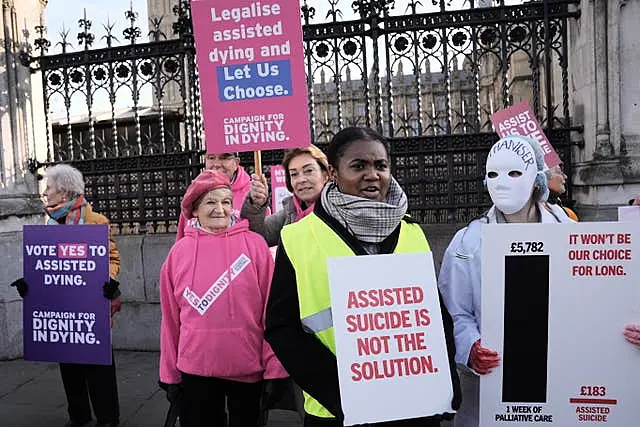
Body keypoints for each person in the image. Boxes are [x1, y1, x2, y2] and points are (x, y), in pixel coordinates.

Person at [264, 127, 461, 427]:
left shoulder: (412, 232)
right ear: (333, 172)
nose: (372, 174)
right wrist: (343, 393)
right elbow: (282, 329)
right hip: (336, 410)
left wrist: (446, 384)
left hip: (413, 405)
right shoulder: (297, 238)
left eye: (380, 165)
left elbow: (433, 317)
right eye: (359, 166)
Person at [437, 135, 574, 427]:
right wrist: (471, 347)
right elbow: (453, 312)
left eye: (514, 172)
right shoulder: (467, 242)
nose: (502, 183)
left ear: (536, 176)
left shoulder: (569, 231)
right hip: (493, 390)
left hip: (559, 380)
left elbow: (594, 297)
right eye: (493, 174)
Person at [159, 170, 287, 427]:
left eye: (226, 201)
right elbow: (171, 319)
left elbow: (272, 312)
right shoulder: (178, 253)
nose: (220, 209)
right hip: (195, 369)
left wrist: (275, 367)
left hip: (248, 367)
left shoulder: (256, 246)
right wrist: (169, 372)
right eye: (210, 202)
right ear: (194, 210)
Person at [10, 164, 122, 427]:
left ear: (64, 191)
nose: (45, 193)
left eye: (49, 188)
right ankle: (79, 415)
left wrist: (110, 279)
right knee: (69, 364)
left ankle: (108, 417)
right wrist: (31, 284)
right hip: (61, 307)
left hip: (91, 305)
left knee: (98, 365)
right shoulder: (48, 223)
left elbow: (112, 258)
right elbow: (47, 264)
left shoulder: (96, 221)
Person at [241, 144, 330, 246]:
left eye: (309, 171)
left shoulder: (342, 208)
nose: (301, 180)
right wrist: (255, 204)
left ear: (325, 175)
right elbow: (256, 237)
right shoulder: (290, 213)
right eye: (294, 174)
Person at [175, 152, 251, 240]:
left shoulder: (254, 193)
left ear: (236, 163)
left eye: (224, 158)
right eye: (211, 158)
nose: (217, 164)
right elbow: (182, 240)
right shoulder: (195, 192)